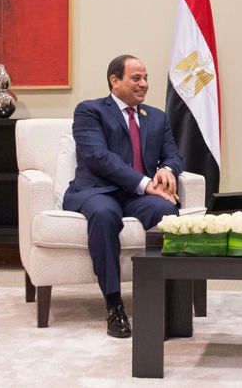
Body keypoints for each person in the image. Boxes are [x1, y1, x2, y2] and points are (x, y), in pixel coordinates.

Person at [63, 54, 184, 338]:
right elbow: (98, 157)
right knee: (105, 215)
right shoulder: (89, 111)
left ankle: (166, 298)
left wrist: (167, 169)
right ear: (114, 81)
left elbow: (173, 154)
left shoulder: (156, 116)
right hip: (96, 190)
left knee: (167, 212)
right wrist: (144, 182)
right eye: (136, 78)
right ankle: (114, 304)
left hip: (136, 195)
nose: (144, 84)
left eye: (146, 78)